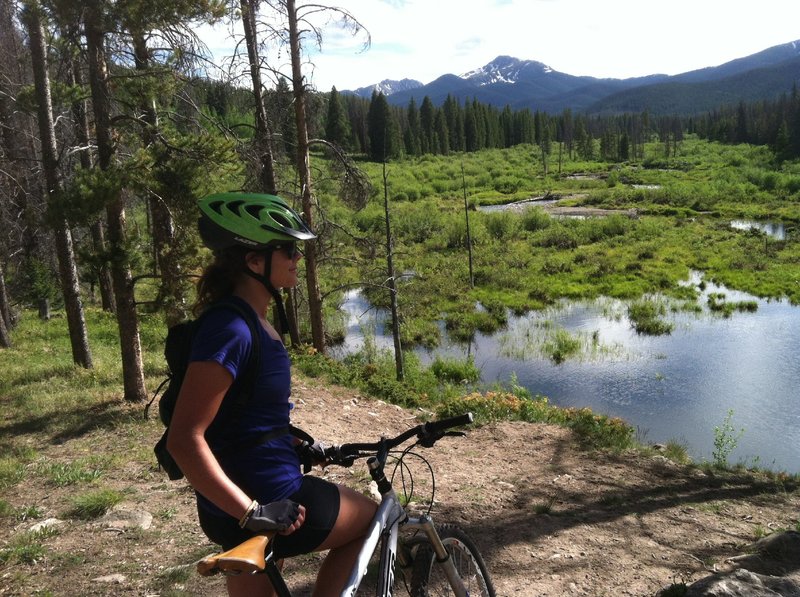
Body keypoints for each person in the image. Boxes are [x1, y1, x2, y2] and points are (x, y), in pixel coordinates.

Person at [167, 192, 377, 597]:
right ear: (253, 260)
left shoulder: (249, 322)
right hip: (267, 501)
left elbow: (240, 416)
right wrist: (253, 512)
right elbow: (184, 438)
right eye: (289, 249)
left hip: (244, 501)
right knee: (373, 520)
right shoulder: (231, 329)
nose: (298, 258)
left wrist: (296, 442)